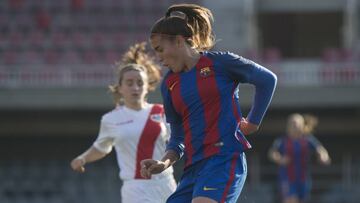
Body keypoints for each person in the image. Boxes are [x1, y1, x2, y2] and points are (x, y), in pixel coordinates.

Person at [140, 4, 277, 203]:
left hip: (224, 159)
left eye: (160, 49)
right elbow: (178, 136)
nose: (158, 58)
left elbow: (267, 79)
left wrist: (253, 122)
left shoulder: (221, 63)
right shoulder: (169, 84)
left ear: (178, 41)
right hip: (193, 168)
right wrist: (164, 162)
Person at [70, 42, 177, 203]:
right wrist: (83, 158)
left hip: (167, 183)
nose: (135, 88)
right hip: (136, 188)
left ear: (148, 87)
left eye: (140, 83)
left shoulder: (161, 112)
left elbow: (178, 142)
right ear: (119, 88)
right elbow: (101, 147)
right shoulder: (111, 119)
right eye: (129, 83)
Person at [268, 113, 331, 203]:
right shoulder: (282, 141)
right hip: (287, 179)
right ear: (288, 127)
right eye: (292, 124)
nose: (294, 127)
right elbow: (272, 153)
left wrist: (324, 156)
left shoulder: (307, 140)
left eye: (296, 124)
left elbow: (320, 149)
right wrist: (280, 159)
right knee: (291, 200)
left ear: (302, 126)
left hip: (303, 179)